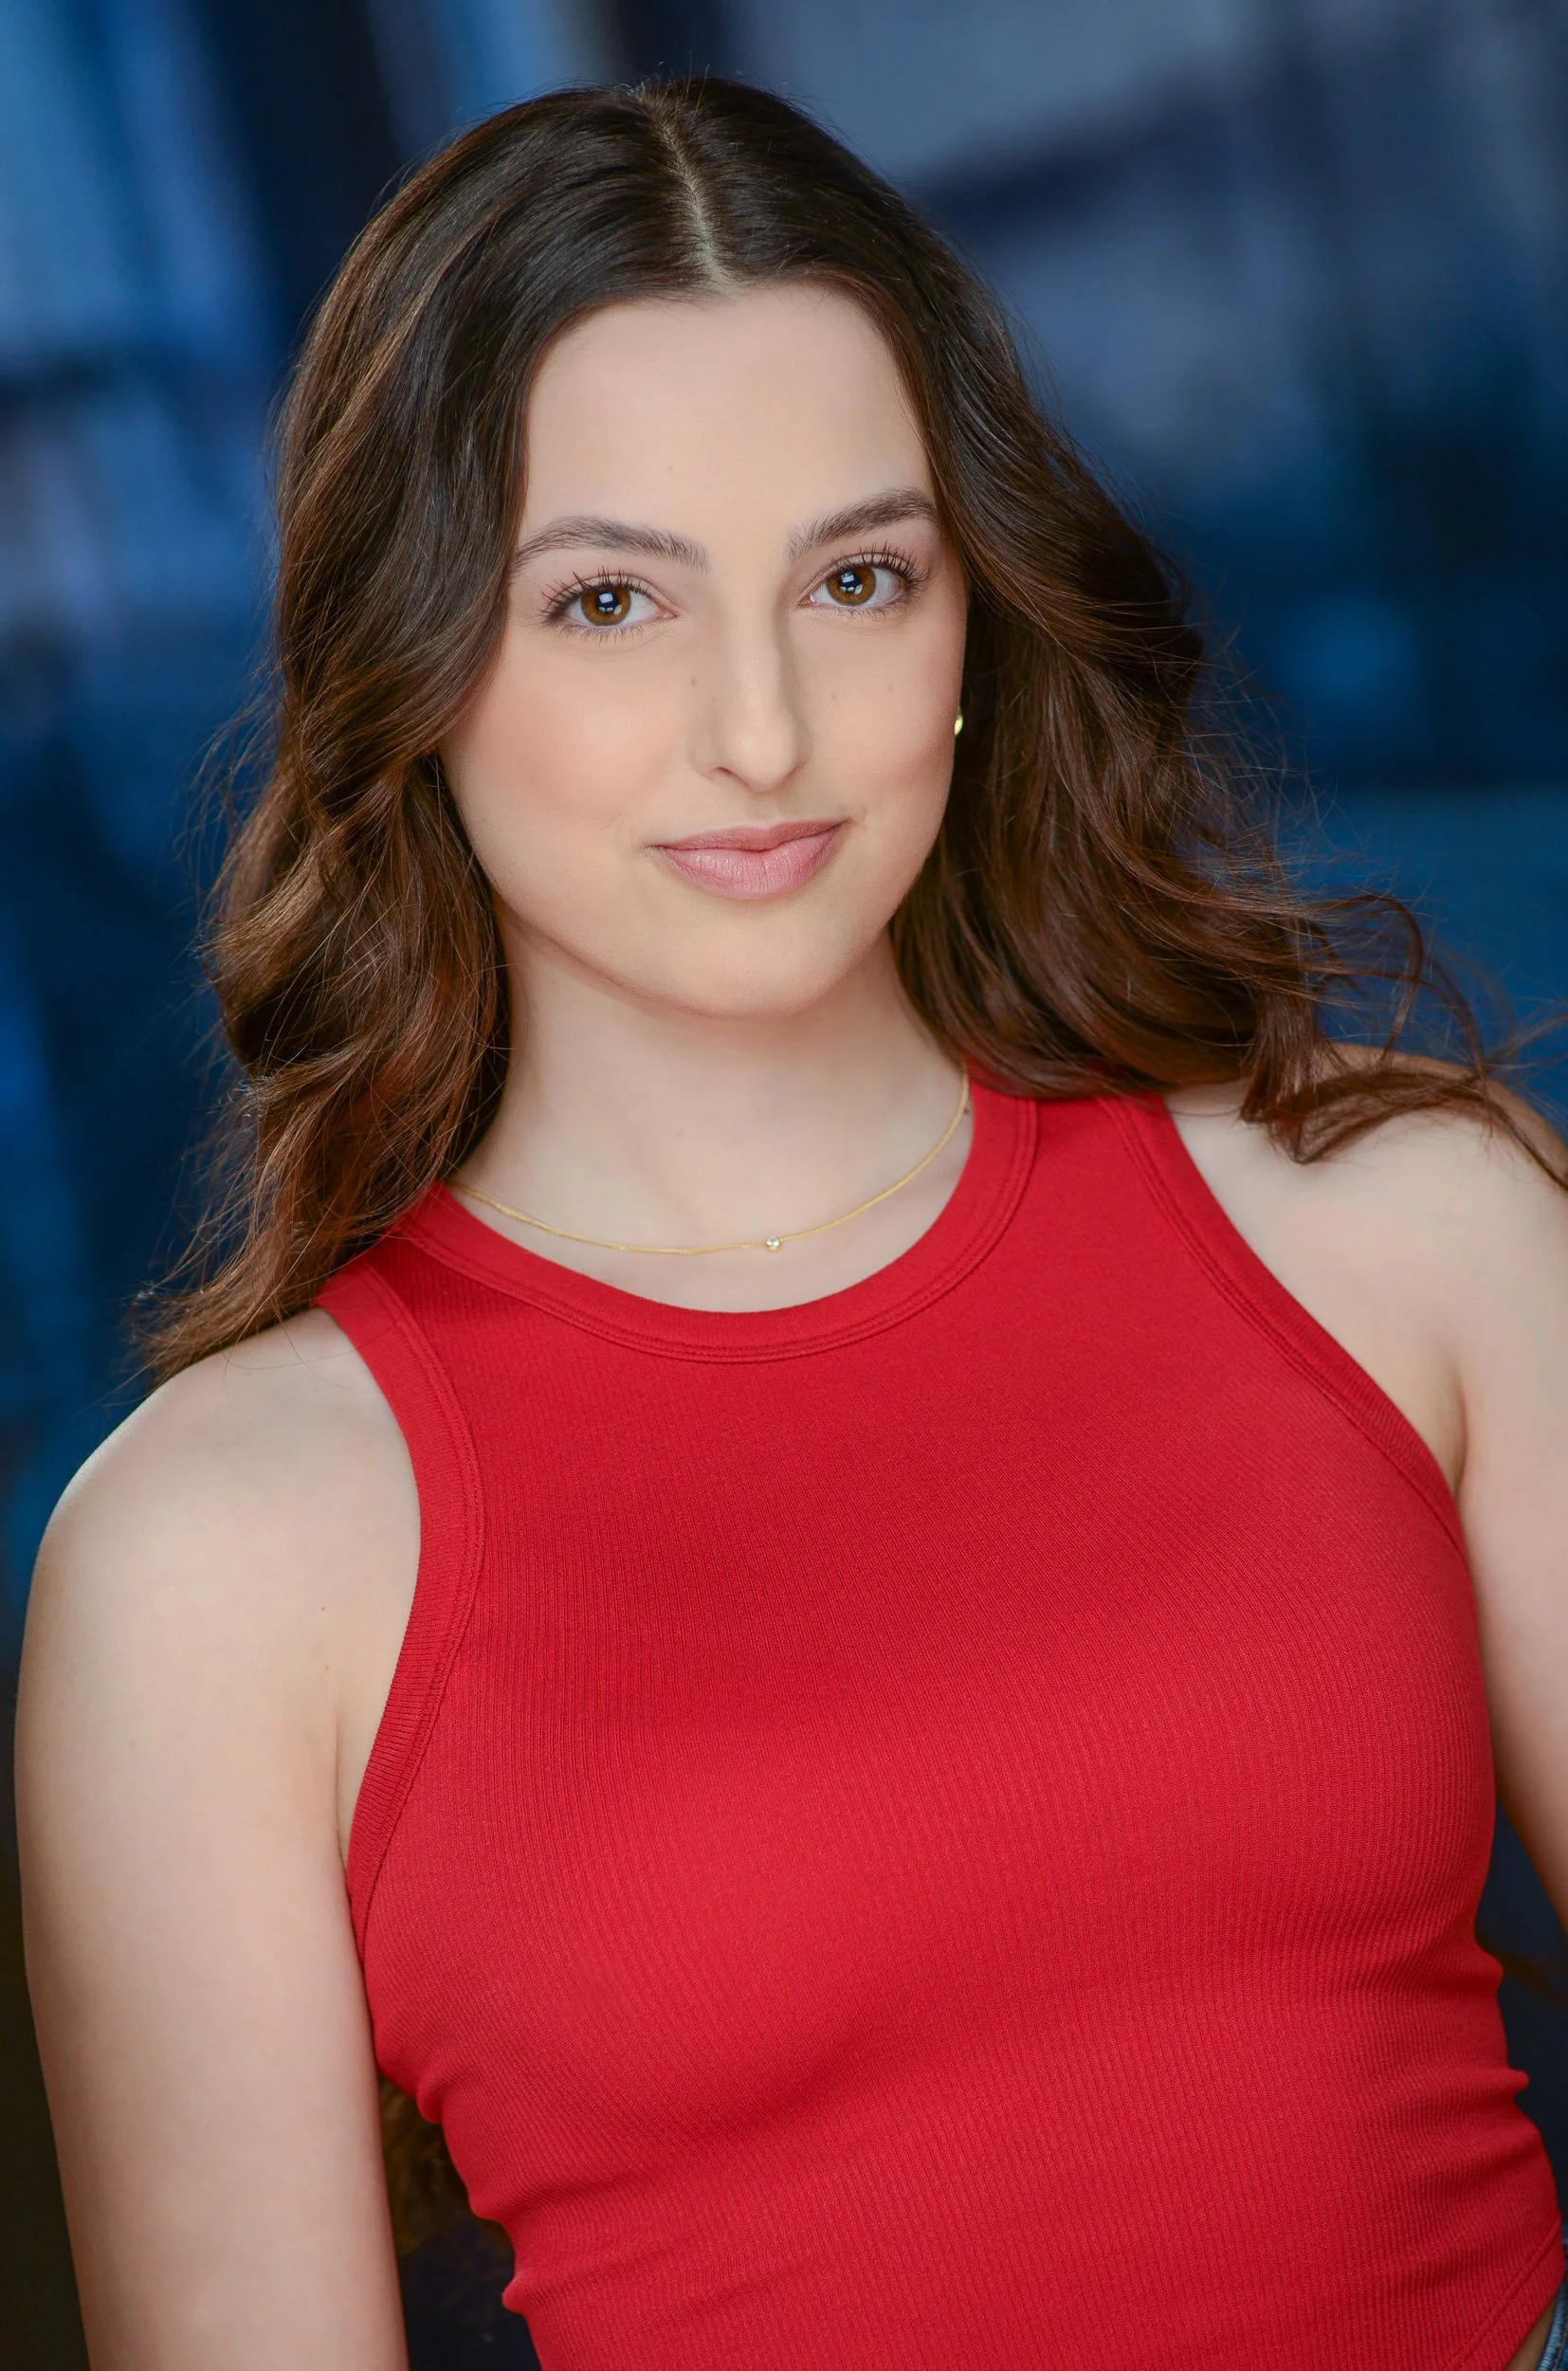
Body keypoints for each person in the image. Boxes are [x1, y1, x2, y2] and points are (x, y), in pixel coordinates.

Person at [16, 76, 1568, 2371]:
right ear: (414, 659)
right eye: (610, 601)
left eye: (856, 577)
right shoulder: (213, 1560)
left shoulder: (1410, 1226)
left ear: (970, 624)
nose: (759, 728)